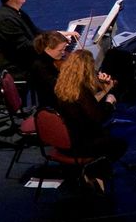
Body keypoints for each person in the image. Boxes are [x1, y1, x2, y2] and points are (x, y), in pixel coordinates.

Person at [53, 50, 129, 192]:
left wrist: (105, 90)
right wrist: (110, 102)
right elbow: (98, 117)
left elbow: (87, 106)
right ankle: (92, 171)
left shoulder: (65, 85)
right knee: (120, 144)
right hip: (81, 143)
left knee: (107, 135)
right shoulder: (81, 90)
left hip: (69, 136)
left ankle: (95, 173)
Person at [0, 0, 78, 81]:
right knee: (51, 68)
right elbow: (24, 47)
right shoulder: (6, 19)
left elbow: (36, 32)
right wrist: (53, 45)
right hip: (14, 67)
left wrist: (58, 34)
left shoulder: (18, 12)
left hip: (23, 58)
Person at [29, 31, 69, 107]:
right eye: (60, 50)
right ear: (48, 49)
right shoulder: (40, 67)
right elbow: (57, 88)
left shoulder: (51, 59)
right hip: (55, 104)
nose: (63, 52)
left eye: (65, 48)